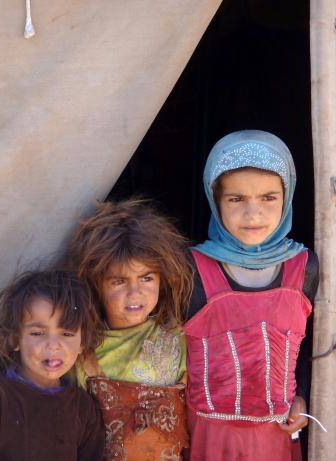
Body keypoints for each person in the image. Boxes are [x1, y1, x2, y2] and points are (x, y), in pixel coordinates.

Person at [185, 130, 319, 461]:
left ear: (287, 197)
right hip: (206, 439)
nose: (253, 214)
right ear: (214, 200)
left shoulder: (304, 267)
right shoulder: (190, 268)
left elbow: (308, 347)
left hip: (275, 439)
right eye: (236, 199)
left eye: (268, 198)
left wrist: (301, 396)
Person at [69, 199, 193, 461]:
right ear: (96, 284)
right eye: (119, 281)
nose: (134, 293)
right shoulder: (81, 351)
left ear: (163, 278)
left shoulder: (179, 339)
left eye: (146, 278)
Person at [0, 270, 105, 461]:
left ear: (82, 343)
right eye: (37, 333)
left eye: (67, 334)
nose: (53, 345)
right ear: (15, 338)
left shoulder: (84, 408)